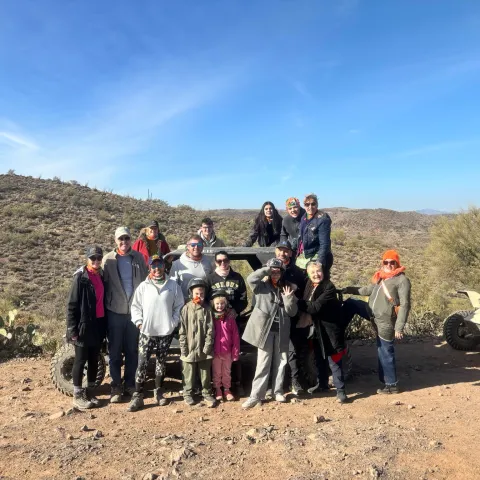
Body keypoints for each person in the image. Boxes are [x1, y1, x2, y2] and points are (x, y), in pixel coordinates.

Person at [342, 249, 411, 394]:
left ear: (397, 263)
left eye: (392, 262)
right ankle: (338, 330)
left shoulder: (402, 280)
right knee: (352, 303)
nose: (389, 264)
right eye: (386, 262)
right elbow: (368, 290)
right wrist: (349, 289)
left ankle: (391, 384)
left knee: (384, 350)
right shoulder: (381, 277)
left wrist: (399, 327)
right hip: (372, 313)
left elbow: (404, 305)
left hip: (385, 320)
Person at [127, 255, 185, 412]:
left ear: (164, 267)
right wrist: (139, 322)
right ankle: (138, 396)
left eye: (159, 265)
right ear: (149, 268)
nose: (157, 269)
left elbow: (179, 306)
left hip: (165, 332)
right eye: (153, 266)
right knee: (142, 363)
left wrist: (173, 323)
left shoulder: (173, 285)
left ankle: (159, 392)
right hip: (147, 332)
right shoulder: (143, 286)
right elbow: (135, 306)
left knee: (161, 362)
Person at [241, 258, 298, 409]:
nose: (275, 273)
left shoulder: (288, 288)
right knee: (263, 363)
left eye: (278, 271)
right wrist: (266, 270)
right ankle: (256, 396)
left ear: (282, 272)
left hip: (282, 330)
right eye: (272, 270)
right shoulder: (260, 286)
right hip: (264, 331)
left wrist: (288, 298)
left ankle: (277, 391)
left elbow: (292, 312)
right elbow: (250, 278)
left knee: (281, 362)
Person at [102, 226, 149, 403]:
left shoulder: (138, 258)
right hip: (115, 311)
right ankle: (115, 387)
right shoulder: (108, 260)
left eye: (127, 239)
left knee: (132, 350)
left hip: (135, 312)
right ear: (115, 241)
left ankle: (129, 383)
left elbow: (145, 282)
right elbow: (103, 285)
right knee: (114, 351)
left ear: (131, 240)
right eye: (121, 239)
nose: (124, 242)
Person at [297, 261, 348, 403]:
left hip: (329, 328)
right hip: (316, 328)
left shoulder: (328, 287)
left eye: (318, 271)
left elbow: (314, 307)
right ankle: (323, 385)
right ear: (308, 274)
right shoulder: (309, 284)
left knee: (334, 359)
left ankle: (341, 391)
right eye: (312, 272)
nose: (316, 274)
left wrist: (297, 302)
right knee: (319, 356)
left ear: (323, 272)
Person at [66, 246, 107, 410]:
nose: (96, 261)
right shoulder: (81, 278)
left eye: (99, 258)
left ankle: (90, 392)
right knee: (80, 359)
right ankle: (77, 395)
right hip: (83, 325)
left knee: (94, 359)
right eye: (93, 258)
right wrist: (72, 329)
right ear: (87, 259)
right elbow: (71, 305)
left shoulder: (101, 275)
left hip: (98, 324)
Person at [207, 250, 248, 395]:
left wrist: (235, 311)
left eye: (225, 260)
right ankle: (216, 386)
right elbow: (206, 300)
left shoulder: (237, 277)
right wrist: (213, 312)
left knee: (234, 351)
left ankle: (236, 384)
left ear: (229, 261)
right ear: (215, 262)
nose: (223, 263)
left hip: (232, 321)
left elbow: (243, 299)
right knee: (215, 353)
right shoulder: (210, 278)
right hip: (215, 322)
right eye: (219, 261)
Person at [275, 239, 308, 395]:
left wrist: (294, 288)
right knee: (276, 350)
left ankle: (295, 382)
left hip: (293, 314)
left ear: (291, 253)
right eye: (280, 250)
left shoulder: (297, 271)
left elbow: (302, 292)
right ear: (276, 251)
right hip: (275, 315)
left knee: (293, 350)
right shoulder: (271, 268)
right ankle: (278, 384)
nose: (283, 253)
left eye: (286, 250)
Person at [179, 277, 217, 407]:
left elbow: (210, 330)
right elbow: (182, 330)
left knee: (205, 372)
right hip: (189, 348)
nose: (199, 296)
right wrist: (183, 347)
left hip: (203, 348)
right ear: (191, 294)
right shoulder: (186, 309)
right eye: (196, 294)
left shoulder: (207, 309)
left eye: (201, 294)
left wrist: (207, 347)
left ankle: (206, 392)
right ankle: (188, 393)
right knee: (188, 372)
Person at [211, 290, 240, 402]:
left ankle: (227, 389)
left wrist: (235, 352)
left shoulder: (230, 318)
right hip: (215, 351)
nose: (220, 306)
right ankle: (217, 389)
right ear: (213, 304)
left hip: (227, 351)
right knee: (217, 372)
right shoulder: (211, 317)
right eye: (217, 303)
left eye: (222, 303)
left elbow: (236, 336)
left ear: (226, 304)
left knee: (227, 372)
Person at [295, 194, 333, 276]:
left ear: (317, 205)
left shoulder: (322, 220)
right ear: (304, 206)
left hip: (317, 256)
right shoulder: (304, 217)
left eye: (313, 204)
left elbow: (324, 244)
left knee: (317, 281)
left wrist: (320, 262)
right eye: (307, 204)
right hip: (307, 254)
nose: (310, 207)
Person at [170, 234, 213, 299]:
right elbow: (172, 286)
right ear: (188, 246)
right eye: (193, 245)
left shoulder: (207, 262)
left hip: (203, 303)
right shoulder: (177, 264)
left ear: (202, 247)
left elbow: (212, 282)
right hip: (184, 303)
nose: (196, 247)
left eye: (199, 245)